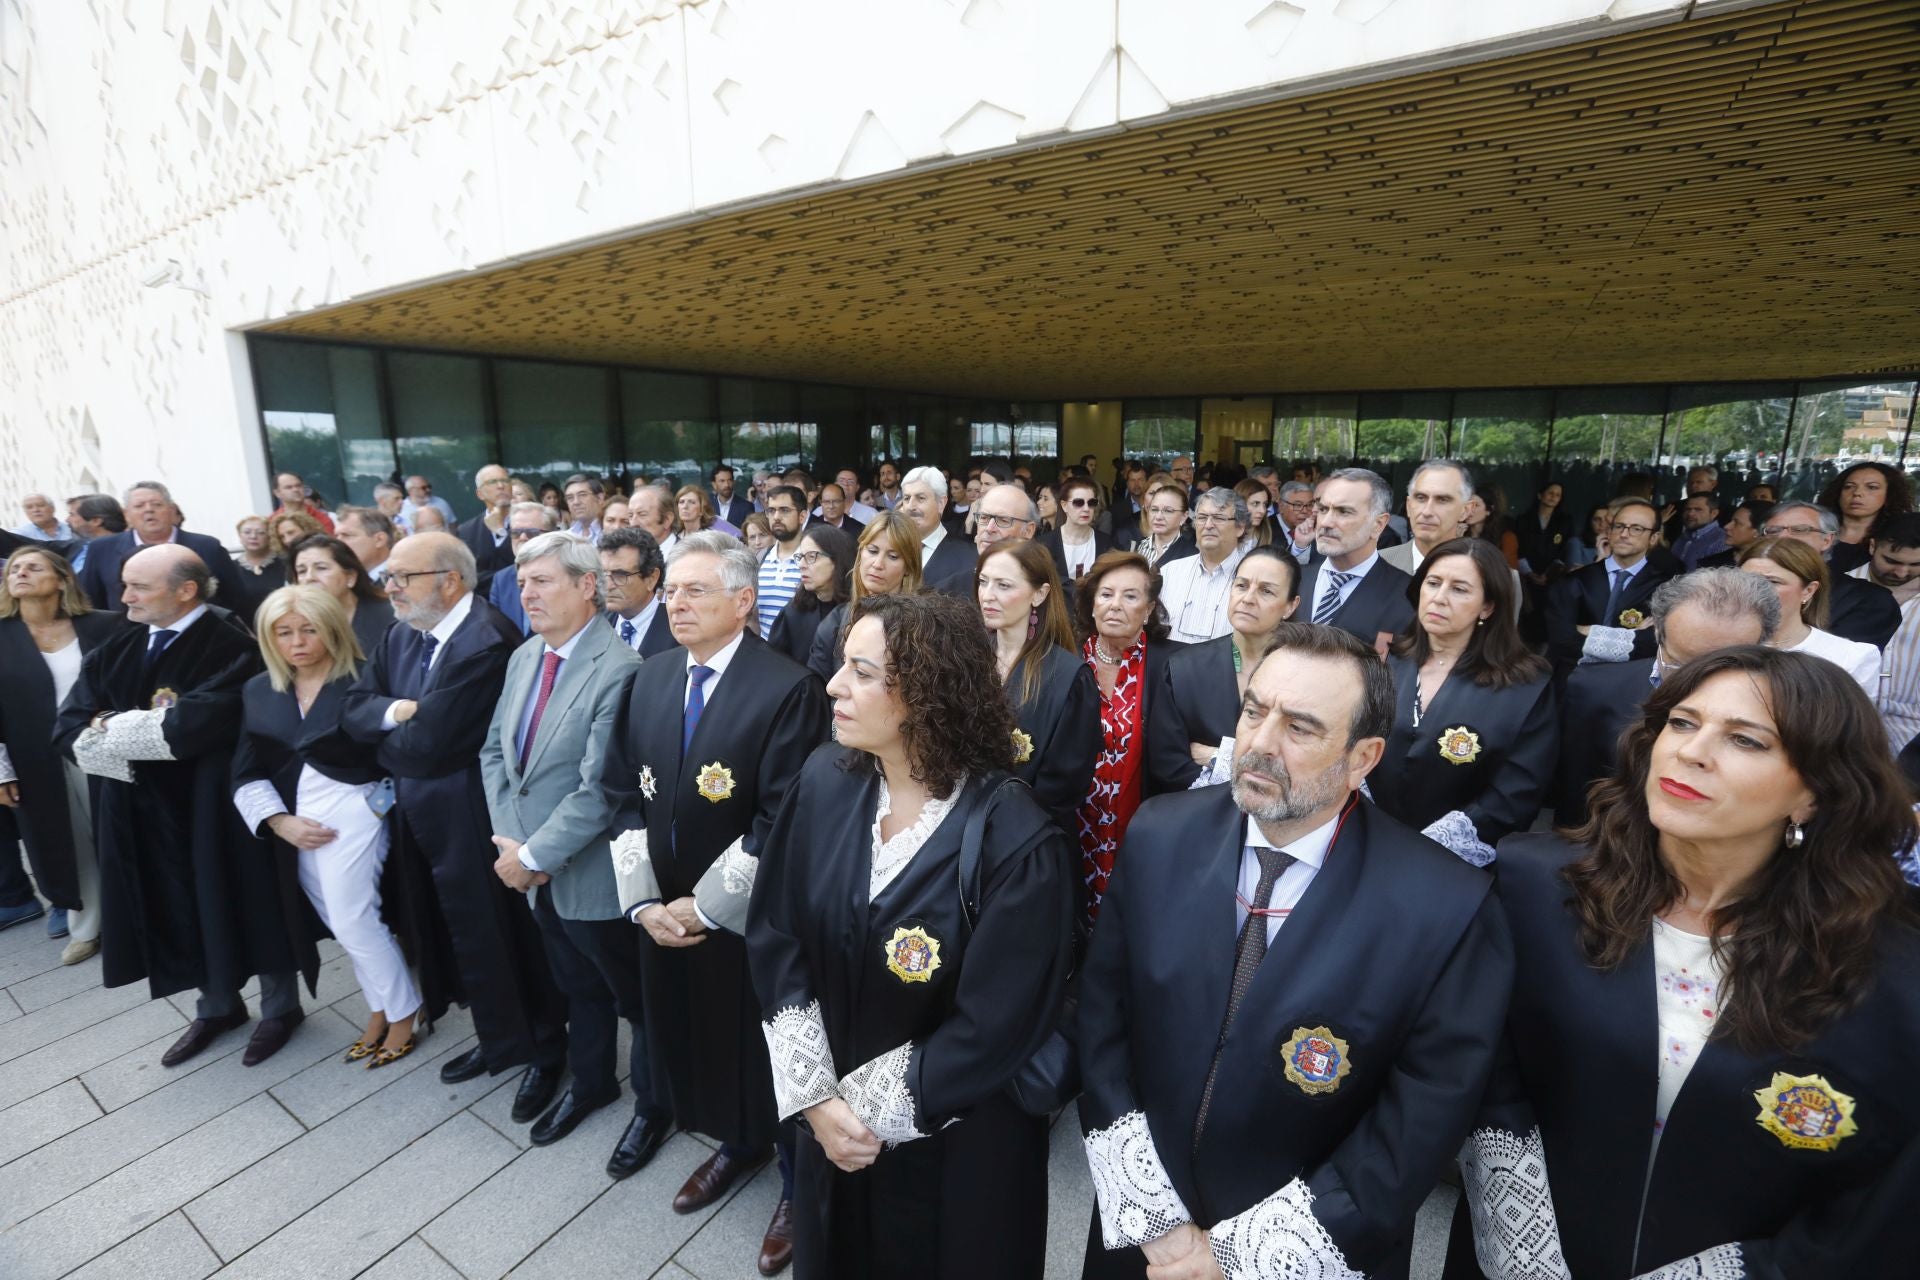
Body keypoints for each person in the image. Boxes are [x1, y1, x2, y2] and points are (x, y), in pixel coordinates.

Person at [1455, 647, 1920, 1279]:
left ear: (1813, 793)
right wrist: (1521, 1238)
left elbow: (1883, 1200)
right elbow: (1484, 1071)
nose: (1691, 751)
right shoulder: (1535, 887)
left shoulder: (1891, 968)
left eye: (1746, 741)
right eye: (1681, 722)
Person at [1077, 621, 1514, 1280]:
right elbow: (1102, 1021)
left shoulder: (1445, 907)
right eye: (1255, 710)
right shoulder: (1161, 835)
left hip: (1309, 1252)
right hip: (1145, 1236)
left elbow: (1418, 1122)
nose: (1258, 743)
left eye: (1301, 728)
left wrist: (1238, 1257)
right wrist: (1158, 1221)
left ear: (1364, 757)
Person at [746, 592, 1074, 1279]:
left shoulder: (1016, 839)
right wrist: (813, 1096)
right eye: (842, 666)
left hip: (954, 1149)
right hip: (829, 1123)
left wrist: (855, 1116)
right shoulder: (824, 781)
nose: (834, 685)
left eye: (862, 673)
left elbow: (996, 1024)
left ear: (928, 692)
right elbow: (778, 933)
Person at [603, 530, 829, 1274]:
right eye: (671, 590)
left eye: (694, 591)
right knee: (698, 1040)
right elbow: (620, 795)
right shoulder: (653, 676)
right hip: (662, 916)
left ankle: (797, 1185)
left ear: (741, 600)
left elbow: (780, 817)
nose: (676, 603)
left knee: (766, 1050)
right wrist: (643, 902)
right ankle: (737, 1143)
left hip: (743, 923)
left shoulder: (786, 687)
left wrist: (701, 909)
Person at [52, 545, 312, 1067]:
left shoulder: (234, 644)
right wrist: (119, 729)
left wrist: (108, 725)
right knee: (178, 906)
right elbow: (67, 729)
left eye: (139, 587)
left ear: (186, 589)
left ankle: (281, 1008)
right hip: (140, 810)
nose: (123, 596)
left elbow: (190, 727)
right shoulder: (117, 648)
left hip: (214, 807)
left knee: (245, 899)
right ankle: (216, 1006)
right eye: (125, 584)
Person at [340, 532, 568, 1118]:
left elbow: (435, 745)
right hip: (424, 811)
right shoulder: (402, 633)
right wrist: (397, 714)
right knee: (454, 931)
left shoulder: (485, 640)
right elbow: (355, 709)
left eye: (403, 578)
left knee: (500, 933)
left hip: (473, 813)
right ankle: (497, 1039)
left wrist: (389, 736)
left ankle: (544, 1051)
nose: (389, 588)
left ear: (450, 580)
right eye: (388, 577)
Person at [477, 532, 660, 1168]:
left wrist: (529, 858)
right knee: (574, 984)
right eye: (523, 583)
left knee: (633, 999)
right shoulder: (526, 656)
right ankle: (591, 1083)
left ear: (588, 587)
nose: (526, 593)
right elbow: (496, 753)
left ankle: (653, 1107)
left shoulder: (620, 670)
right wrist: (513, 841)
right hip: (532, 865)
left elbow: (599, 791)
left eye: (543, 581)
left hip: (591, 873)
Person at [233, 586, 420, 1068]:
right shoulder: (259, 690)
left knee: (356, 918)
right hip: (295, 822)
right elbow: (245, 768)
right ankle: (379, 1007)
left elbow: (397, 745)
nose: (297, 641)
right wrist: (278, 822)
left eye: (308, 629)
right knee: (342, 923)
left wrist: (376, 804)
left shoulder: (362, 678)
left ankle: (404, 1011)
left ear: (332, 628)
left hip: (358, 809)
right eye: (284, 632)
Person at [1550, 569, 1780, 827]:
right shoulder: (1593, 689)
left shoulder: (1783, 709)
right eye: (1680, 665)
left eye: (1724, 668)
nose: (1697, 684)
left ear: (1764, 647)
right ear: (1658, 633)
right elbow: (1575, 801)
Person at [1377, 539, 1554, 864]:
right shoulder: (1389, 660)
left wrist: (1429, 848)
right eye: (1433, 583)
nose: (1439, 598)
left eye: (1459, 589)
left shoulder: (1524, 687)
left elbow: (1515, 793)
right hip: (1366, 842)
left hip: (1452, 863)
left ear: (1487, 606)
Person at [0, 547, 126, 957]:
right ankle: (86, 927)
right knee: (64, 840)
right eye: (15, 569)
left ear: (61, 579)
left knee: (119, 828)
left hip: (102, 745)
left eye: (33, 567)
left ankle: (140, 915)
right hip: (34, 758)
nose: (20, 573)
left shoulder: (102, 626)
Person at [1073, 550, 1182, 924]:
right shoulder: (1066, 661)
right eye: (1106, 594)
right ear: (1091, 605)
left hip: (1140, 829)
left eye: (1130, 596)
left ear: (1149, 609)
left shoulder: (1175, 665)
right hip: (1074, 830)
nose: (1115, 605)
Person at [1146, 546, 1301, 795]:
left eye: (1266, 591)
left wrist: (1218, 757)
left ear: (1290, 606)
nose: (1248, 598)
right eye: (1241, 585)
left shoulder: (1305, 675)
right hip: (1197, 814)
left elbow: (1301, 764)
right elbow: (1168, 764)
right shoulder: (1184, 668)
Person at [978, 539, 1099, 840]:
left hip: (1026, 841)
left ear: (1039, 594)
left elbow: (1062, 790)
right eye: (983, 582)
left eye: (1003, 585)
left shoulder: (1068, 677)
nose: (987, 595)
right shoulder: (969, 656)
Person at [1737, 535, 1881, 698]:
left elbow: (1852, 721)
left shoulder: (1851, 657)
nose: (1755, 590)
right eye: (1747, 580)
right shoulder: (1718, 643)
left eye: (1773, 582)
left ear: (1808, 590)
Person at [1545, 495, 1675, 673]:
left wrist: (1588, 631)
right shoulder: (1575, 581)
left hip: (1631, 685)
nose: (1624, 534)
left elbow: (1656, 645)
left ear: (1653, 537)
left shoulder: (1666, 588)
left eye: (1636, 528)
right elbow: (1561, 640)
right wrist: (1631, 635)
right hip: (1573, 682)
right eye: (1619, 526)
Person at [76, 481, 244, 615]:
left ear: (171, 510)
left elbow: (234, 598)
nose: (149, 510)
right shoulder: (101, 549)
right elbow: (92, 601)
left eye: (156, 504)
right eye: (139, 506)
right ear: (127, 514)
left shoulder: (207, 547)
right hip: (129, 643)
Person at [1760, 499, 1902, 649]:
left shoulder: (1870, 601)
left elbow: (1831, 665)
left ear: (1827, 540)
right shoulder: (1741, 586)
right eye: (1773, 531)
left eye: (1800, 530)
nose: (1782, 538)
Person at [1299, 467, 1414, 651]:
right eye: (1322, 509)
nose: (1326, 522)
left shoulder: (1408, 595)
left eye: (1344, 512)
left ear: (1378, 524)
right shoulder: (1293, 579)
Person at [807, 511, 922, 683]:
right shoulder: (835, 622)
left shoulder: (922, 628)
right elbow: (817, 692)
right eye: (873, 551)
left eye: (892, 556)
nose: (877, 564)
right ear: (861, 553)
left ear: (908, 567)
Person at [1852, 512, 1920, 753]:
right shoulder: (1836, 590)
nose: (1901, 573)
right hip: (1845, 732)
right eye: (1891, 560)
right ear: (1872, 546)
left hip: (1912, 740)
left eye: (1915, 565)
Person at [1157, 488, 1248, 644]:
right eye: (1202, 517)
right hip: (1169, 665)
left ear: (1240, 527)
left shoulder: (1251, 578)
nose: (1208, 525)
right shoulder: (1170, 572)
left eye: (1218, 518)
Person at [291, 535, 395, 657]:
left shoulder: (389, 618)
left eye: (321, 568)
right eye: (302, 571)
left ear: (351, 577)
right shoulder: (293, 620)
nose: (309, 578)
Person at [769, 523, 853, 666]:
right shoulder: (793, 612)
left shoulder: (857, 611)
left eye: (811, 556)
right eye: (800, 557)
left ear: (837, 560)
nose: (801, 564)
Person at [1819, 458, 1912, 574]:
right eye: (1849, 486)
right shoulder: (1815, 529)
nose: (1857, 493)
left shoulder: (1894, 540)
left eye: (1872, 487)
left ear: (1888, 495)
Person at [899, 465, 975, 595]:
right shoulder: (889, 547)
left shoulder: (969, 557)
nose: (911, 506)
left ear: (941, 503)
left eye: (920, 498)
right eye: (906, 498)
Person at [488, 501, 561, 636]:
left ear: (551, 535)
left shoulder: (565, 574)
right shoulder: (501, 580)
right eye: (515, 533)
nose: (522, 537)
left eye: (531, 532)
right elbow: (495, 632)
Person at [601, 526, 674, 657]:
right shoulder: (595, 624)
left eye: (620, 575)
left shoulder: (677, 629)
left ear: (651, 578)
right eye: (602, 574)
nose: (608, 585)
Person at [754, 485, 810, 640]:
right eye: (771, 510)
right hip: (766, 656)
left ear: (802, 516)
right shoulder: (760, 559)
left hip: (801, 660)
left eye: (784, 510)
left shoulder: (813, 559)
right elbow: (754, 617)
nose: (776, 516)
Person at [1039, 474, 1113, 585]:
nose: (1086, 509)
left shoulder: (1106, 543)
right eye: (1078, 503)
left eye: (1092, 503)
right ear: (1064, 506)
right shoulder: (1044, 544)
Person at [454, 463, 516, 594]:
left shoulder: (529, 521)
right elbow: (468, 578)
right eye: (492, 482)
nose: (501, 486)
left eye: (505, 480)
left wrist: (501, 533)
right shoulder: (466, 531)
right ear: (480, 494)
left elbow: (530, 564)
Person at [228, 515, 288, 622]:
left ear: (269, 537)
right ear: (240, 536)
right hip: (245, 630)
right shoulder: (231, 568)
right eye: (247, 532)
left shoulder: (285, 564)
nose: (253, 536)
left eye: (261, 532)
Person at [1129, 482, 1195, 568]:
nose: (1158, 516)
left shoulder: (1192, 553)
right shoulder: (1138, 547)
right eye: (1154, 509)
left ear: (1184, 516)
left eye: (1168, 511)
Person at [1513, 481, 1570, 580]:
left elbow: (1563, 551)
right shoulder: (1523, 520)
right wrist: (1529, 573)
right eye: (1550, 493)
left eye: (1557, 495)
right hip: (1525, 575)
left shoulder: (1565, 522)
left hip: (1553, 577)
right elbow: (1519, 549)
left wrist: (1549, 574)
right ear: (1540, 495)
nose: (1553, 497)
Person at [334, 504, 396, 583]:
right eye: (336, 535)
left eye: (347, 535)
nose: (338, 541)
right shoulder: (347, 581)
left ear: (379, 540)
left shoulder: (403, 578)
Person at [270, 472, 335, 533]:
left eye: (298, 486)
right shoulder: (272, 521)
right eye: (289, 487)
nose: (296, 490)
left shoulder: (322, 519)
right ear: (277, 493)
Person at [676, 483, 740, 538]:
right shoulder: (675, 536)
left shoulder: (715, 534)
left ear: (702, 509)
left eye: (692, 502)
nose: (685, 506)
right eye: (681, 502)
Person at [562, 473, 606, 545]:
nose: (576, 502)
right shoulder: (566, 538)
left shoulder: (611, 532)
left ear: (599, 498)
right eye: (570, 498)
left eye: (582, 495)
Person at [1232, 478, 1272, 549]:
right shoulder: (1224, 538)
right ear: (1240, 504)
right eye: (1255, 504)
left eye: (1265, 504)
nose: (1262, 510)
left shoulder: (1272, 538)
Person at [711, 463, 754, 528]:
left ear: (733, 482)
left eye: (729, 480)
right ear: (714, 484)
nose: (727, 485)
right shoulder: (707, 506)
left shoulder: (746, 507)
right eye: (722, 481)